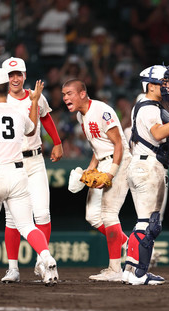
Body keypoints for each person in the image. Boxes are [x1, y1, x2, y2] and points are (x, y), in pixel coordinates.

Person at [0, 57, 63, 283]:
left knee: (42, 214)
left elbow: (46, 117)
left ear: (25, 75)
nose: (15, 78)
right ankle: (13, 268)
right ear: (5, 79)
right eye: (11, 75)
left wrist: (57, 142)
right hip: (13, 162)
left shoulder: (34, 96)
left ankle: (42, 261)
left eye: (19, 74)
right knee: (13, 220)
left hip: (34, 159)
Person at [122, 64, 169, 285]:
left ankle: (130, 269)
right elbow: (158, 133)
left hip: (142, 164)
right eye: (165, 82)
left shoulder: (142, 105)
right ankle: (139, 273)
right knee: (149, 223)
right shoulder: (150, 108)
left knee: (143, 222)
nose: (168, 86)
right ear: (151, 86)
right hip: (148, 167)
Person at [62, 79, 131, 282]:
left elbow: (118, 144)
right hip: (102, 161)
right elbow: (97, 147)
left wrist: (110, 174)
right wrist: (89, 170)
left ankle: (115, 268)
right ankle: (132, 246)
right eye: (64, 94)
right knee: (93, 216)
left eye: (69, 93)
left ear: (82, 93)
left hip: (119, 161)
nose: (65, 97)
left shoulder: (101, 110)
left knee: (109, 215)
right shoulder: (79, 116)